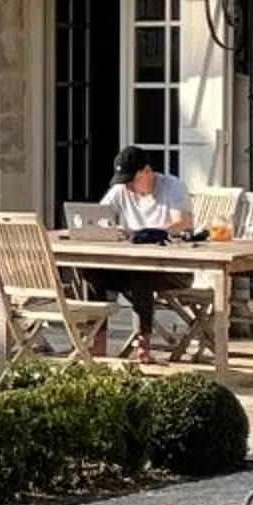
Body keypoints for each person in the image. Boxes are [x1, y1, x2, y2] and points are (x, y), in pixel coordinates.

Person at [82, 146, 189, 361]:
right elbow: (98, 217)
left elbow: (182, 223)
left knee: (142, 271)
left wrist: (144, 234)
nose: (128, 187)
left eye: (132, 180)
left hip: (171, 268)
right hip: (130, 266)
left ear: (146, 171)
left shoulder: (172, 187)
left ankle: (143, 343)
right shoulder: (122, 190)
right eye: (125, 182)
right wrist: (109, 230)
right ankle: (97, 340)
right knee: (91, 271)